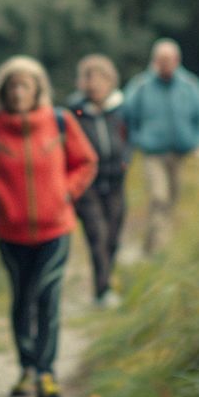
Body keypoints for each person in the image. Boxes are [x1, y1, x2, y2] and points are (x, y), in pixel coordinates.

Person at [0, 56, 97, 397]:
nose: (18, 93)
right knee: (22, 300)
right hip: (10, 232)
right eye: (12, 86)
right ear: (3, 91)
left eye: (25, 86)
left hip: (56, 230)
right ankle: (27, 368)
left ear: (37, 90)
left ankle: (46, 372)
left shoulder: (60, 122)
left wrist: (67, 191)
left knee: (47, 296)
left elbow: (86, 161)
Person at [122, 38, 199, 257]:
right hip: (153, 154)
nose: (165, 64)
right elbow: (127, 116)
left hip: (183, 154)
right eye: (160, 60)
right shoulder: (141, 86)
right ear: (154, 61)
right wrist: (137, 140)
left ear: (177, 60)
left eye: (169, 60)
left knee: (173, 201)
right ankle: (161, 253)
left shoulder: (190, 85)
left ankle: (150, 247)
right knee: (159, 198)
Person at [66, 54, 130, 308]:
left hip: (116, 181)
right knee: (97, 236)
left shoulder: (122, 108)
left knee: (113, 237)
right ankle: (102, 291)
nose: (95, 84)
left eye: (100, 78)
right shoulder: (75, 110)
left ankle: (106, 281)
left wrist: (126, 158)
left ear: (110, 80)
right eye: (89, 78)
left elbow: (130, 136)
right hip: (87, 184)